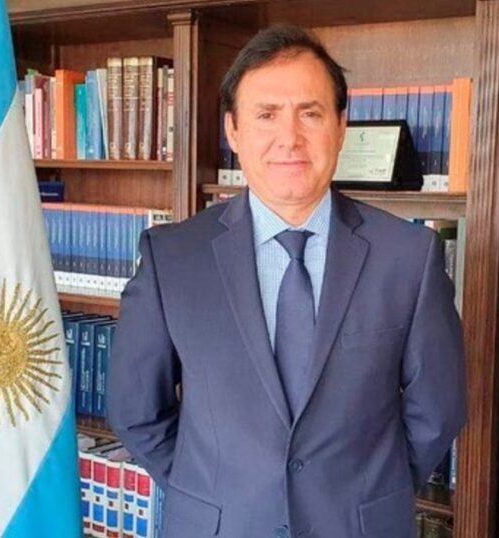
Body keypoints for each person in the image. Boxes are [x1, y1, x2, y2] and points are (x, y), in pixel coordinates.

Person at [107, 23, 467, 538]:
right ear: (233, 131)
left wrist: (365, 494)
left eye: (310, 113)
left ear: (340, 127)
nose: (289, 138)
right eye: (266, 114)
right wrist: (212, 494)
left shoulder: (409, 256)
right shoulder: (172, 258)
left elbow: (438, 408)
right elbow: (136, 410)